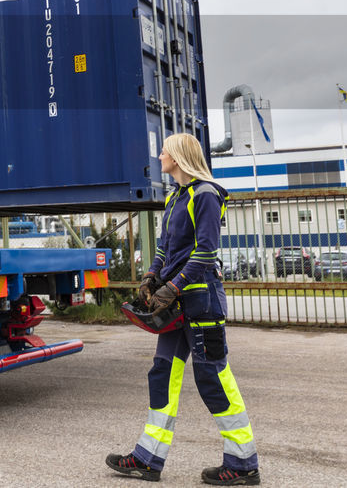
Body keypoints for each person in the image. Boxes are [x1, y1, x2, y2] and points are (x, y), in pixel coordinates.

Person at [106, 133, 261, 485]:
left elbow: (205, 252)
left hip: (200, 301)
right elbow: (166, 248)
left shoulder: (205, 194)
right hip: (175, 304)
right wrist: (150, 277)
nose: (160, 154)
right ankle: (147, 459)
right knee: (162, 373)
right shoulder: (176, 196)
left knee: (213, 379)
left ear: (178, 156)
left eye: (164, 150)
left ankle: (243, 463)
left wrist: (171, 287)